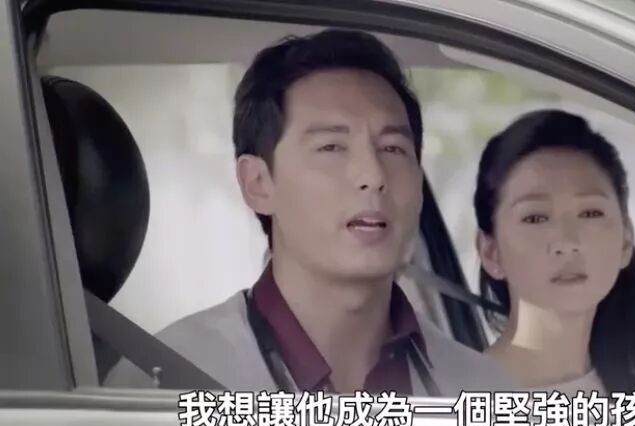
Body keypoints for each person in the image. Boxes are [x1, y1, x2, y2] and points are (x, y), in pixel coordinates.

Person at [106, 29, 510, 396]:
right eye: (331, 147)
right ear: (258, 183)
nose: (373, 176)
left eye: (393, 148)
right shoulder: (168, 382)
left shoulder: (481, 392)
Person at [473, 109, 635, 399]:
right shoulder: (450, 400)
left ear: (625, 241)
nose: (567, 241)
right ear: (491, 253)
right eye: (535, 218)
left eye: (590, 213)